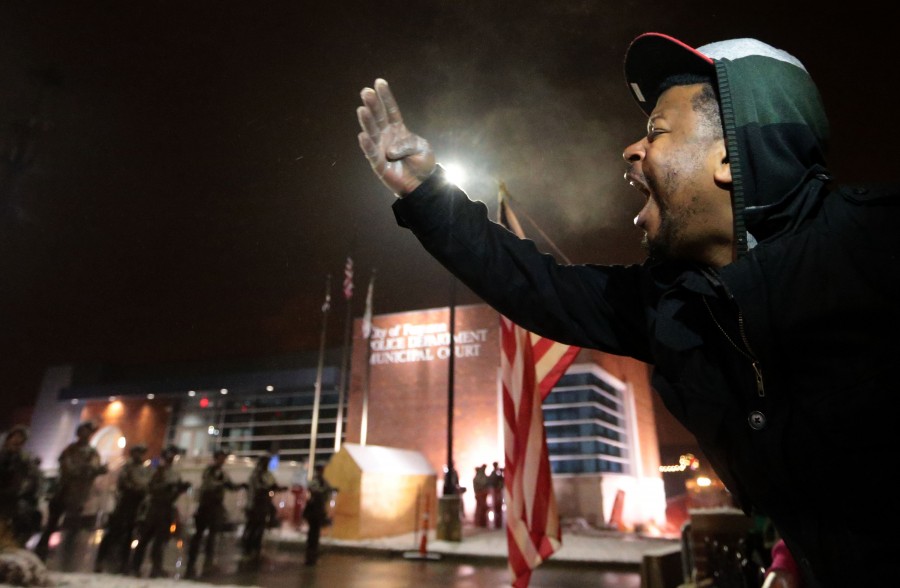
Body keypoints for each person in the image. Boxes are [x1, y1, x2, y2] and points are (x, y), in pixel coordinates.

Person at [356, 32, 899, 588]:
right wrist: (425, 193)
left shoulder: (881, 249)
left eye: (657, 131)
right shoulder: (677, 302)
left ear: (731, 158)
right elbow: (537, 287)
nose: (632, 150)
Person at [34, 420, 108, 561]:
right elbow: (67, 468)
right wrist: (85, 470)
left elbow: (94, 469)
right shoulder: (70, 449)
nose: (85, 434)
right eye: (83, 431)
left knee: (72, 527)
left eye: (88, 432)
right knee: (52, 524)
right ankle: (41, 552)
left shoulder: (92, 453)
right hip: (64, 491)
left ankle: (66, 556)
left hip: (79, 495)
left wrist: (90, 471)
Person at [130, 444, 190, 578]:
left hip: (166, 508)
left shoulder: (174, 473)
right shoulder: (155, 469)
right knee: (145, 538)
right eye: (171, 455)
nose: (172, 458)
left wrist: (180, 488)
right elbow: (149, 486)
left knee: (160, 540)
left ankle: (156, 568)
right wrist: (165, 486)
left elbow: (175, 491)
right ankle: (135, 566)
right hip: (154, 507)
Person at [184, 447, 244, 579]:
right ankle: (190, 564)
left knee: (212, 537)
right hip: (206, 507)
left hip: (215, 508)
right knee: (198, 536)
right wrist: (223, 483)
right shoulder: (210, 470)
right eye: (221, 457)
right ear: (216, 457)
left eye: (224, 457)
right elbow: (210, 484)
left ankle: (208, 564)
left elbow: (229, 485)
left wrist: (240, 486)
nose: (223, 460)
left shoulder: (223, 473)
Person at [94, 443, 150, 574]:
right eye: (138, 452)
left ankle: (124, 564)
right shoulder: (127, 467)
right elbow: (123, 483)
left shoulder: (144, 469)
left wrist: (143, 493)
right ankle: (100, 561)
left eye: (142, 453)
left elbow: (147, 485)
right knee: (113, 532)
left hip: (136, 504)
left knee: (130, 535)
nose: (140, 456)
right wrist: (135, 489)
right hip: (124, 503)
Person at [240, 453, 286, 567]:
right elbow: (260, 487)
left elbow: (272, 485)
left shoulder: (267, 474)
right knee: (251, 527)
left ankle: (256, 550)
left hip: (264, 505)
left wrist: (278, 488)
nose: (266, 465)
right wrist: (271, 489)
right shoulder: (256, 475)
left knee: (260, 528)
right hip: (255, 505)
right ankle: (247, 550)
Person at [0, 425, 43, 547]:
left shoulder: (25, 460)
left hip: (12, 500)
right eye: (15, 437)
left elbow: (33, 480)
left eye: (21, 439)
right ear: (9, 439)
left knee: (30, 517)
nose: (17, 441)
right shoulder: (2, 456)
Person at [302, 463, 336, 566]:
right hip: (314, 510)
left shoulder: (323, 482)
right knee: (313, 533)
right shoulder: (315, 481)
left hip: (319, 510)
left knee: (315, 533)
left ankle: (313, 553)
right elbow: (315, 490)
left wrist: (332, 490)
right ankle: (310, 553)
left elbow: (327, 490)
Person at [487, 461, 503, 529]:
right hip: (496, 492)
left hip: (497, 492)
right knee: (497, 508)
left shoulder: (496, 473)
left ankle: (498, 523)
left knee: (498, 508)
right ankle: (497, 523)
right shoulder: (494, 474)